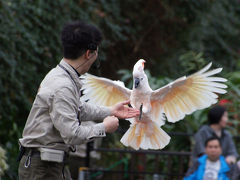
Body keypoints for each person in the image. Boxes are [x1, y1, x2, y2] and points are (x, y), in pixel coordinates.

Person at [18, 21, 140, 180]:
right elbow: (72, 134)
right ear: (89, 54)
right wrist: (104, 127)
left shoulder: (61, 76)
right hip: (42, 168)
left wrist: (110, 110)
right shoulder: (63, 86)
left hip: (51, 164)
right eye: (97, 51)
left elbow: (77, 108)